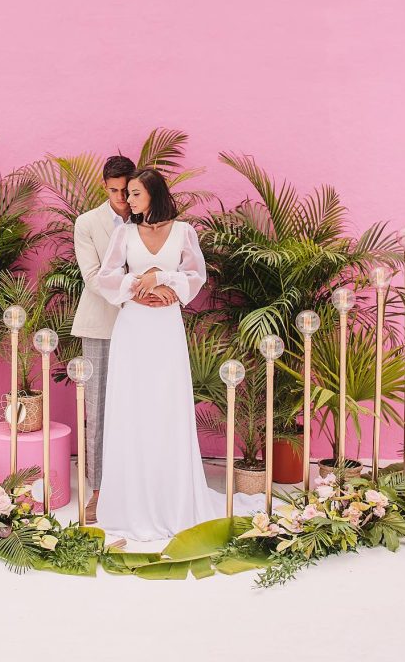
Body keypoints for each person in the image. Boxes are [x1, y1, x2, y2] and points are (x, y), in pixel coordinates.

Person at [95, 167, 265, 541]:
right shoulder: (124, 232)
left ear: (153, 194)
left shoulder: (184, 231)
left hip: (166, 328)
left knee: (166, 405)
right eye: (128, 194)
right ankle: (131, 502)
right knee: (134, 406)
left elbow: (195, 275)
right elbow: (105, 277)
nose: (129, 200)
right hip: (135, 327)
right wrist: (135, 287)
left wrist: (165, 281)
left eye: (136, 194)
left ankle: (172, 499)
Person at [71, 155, 178, 523]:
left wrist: (165, 289)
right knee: (99, 410)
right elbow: (92, 276)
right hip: (103, 324)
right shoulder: (87, 223)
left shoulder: (153, 223)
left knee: (143, 406)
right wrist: (138, 293)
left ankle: (144, 487)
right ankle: (99, 492)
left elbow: (175, 266)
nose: (121, 198)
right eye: (114, 191)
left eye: (127, 190)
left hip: (147, 329)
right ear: (105, 186)